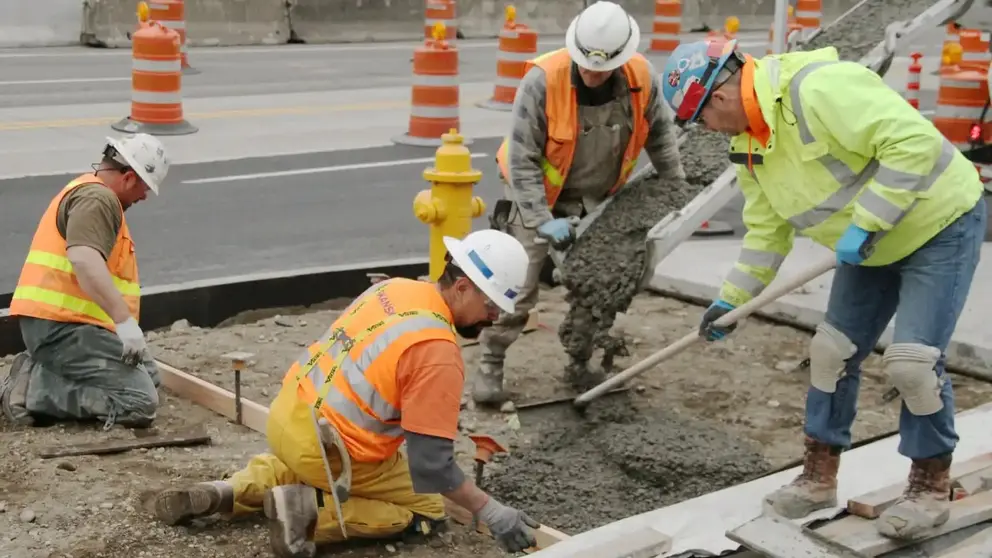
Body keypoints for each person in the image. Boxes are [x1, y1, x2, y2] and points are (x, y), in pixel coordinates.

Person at [659, 37, 986, 539]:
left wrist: (869, 220)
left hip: (939, 224)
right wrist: (732, 300)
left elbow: (913, 144)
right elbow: (766, 233)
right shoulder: (748, 146)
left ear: (718, 97)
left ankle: (929, 484)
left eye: (700, 119)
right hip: (871, 244)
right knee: (831, 352)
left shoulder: (820, 88)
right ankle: (817, 477)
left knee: (912, 363)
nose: (706, 129)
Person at [149, 229, 541, 558]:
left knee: (299, 465)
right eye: (492, 305)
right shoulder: (436, 351)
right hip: (332, 450)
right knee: (426, 508)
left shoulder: (395, 289)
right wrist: (491, 511)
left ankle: (225, 491)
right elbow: (432, 467)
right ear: (462, 287)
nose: (495, 317)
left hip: (288, 416)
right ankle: (309, 514)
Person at [476, 0, 686, 403]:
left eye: (602, 68)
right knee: (517, 286)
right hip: (535, 193)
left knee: (599, 282)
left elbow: (660, 133)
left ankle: (580, 363)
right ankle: (491, 359)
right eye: (586, 64)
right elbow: (521, 160)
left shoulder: (642, 77)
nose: (592, 73)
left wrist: (675, 183)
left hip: (598, 198)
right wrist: (541, 219)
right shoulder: (542, 82)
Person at [1, 133, 171, 430]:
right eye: (144, 188)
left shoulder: (93, 193)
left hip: (73, 326)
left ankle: (40, 368)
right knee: (140, 402)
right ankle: (31, 390)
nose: (144, 197)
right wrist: (124, 322)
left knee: (151, 376)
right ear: (129, 177)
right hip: (61, 329)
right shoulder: (98, 199)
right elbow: (84, 259)